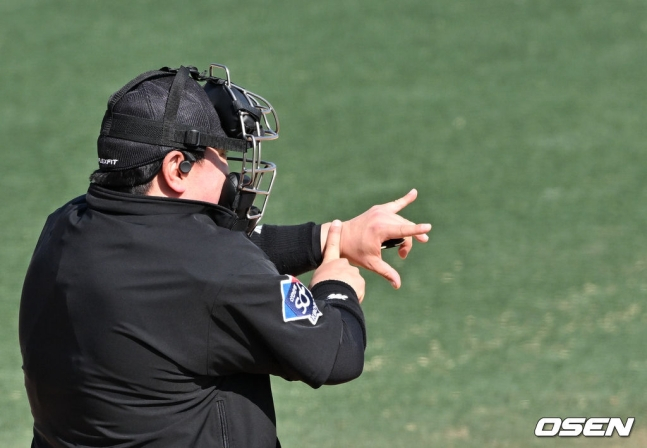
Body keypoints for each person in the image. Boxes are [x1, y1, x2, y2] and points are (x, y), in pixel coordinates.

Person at [19, 64, 431, 448]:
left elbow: (207, 258)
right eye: (221, 155)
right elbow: (336, 354)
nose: (230, 173)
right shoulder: (214, 269)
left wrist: (330, 238)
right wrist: (335, 286)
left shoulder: (66, 225)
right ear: (175, 167)